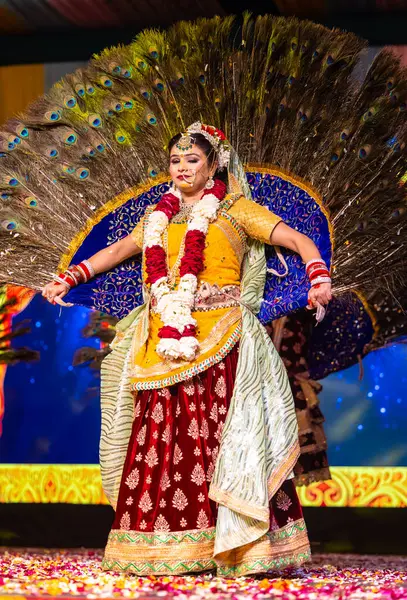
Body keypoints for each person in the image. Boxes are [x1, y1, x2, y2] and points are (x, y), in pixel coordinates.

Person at [42, 123, 331, 576]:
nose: (181, 168)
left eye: (192, 160)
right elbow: (118, 250)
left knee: (226, 443)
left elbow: (296, 239)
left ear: (213, 165)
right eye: (175, 161)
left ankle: (240, 547)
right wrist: (70, 277)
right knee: (160, 439)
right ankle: (165, 548)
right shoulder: (160, 216)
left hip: (222, 340)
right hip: (162, 342)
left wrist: (318, 275)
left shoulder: (236, 210)